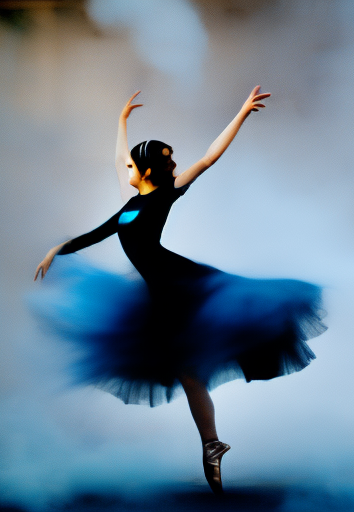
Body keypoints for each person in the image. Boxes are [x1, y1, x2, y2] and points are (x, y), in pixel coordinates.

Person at [32, 88, 326, 495]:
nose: (128, 169)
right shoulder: (128, 205)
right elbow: (99, 222)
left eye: (134, 166)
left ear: (148, 171)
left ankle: (209, 441)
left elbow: (208, 157)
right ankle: (211, 444)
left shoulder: (164, 196)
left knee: (192, 361)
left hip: (184, 286)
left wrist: (240, 113)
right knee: (187, 373)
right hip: (161, 296)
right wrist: (121, 123)